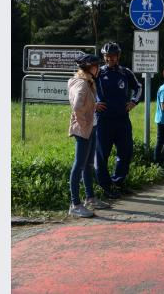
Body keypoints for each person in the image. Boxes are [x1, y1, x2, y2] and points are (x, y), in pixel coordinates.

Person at [94, 42, 142, 199]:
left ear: (118, 56)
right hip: (103, 121)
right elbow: (84, 89)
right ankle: (105, 187)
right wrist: (93, 104)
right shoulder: (97, 73)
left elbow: (138, 87)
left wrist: (134, 102)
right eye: (107, 56)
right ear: (103, 57)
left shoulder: (125, 72)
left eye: (113, 56)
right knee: (102, 155)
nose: (110, 59)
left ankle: (118, 183)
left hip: (122, 119)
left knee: (126, 152)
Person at [67, 54, 111, 218]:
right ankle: (75, 204)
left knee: (88, 164)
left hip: (90, 127)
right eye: (96, 66)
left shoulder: (87, 82)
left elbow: (84, 105)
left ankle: (90, 198)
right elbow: (77, 106)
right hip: (84, 129)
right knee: (79, 165)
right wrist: (84, 122)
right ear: (90, 68)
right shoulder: (82, 84)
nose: (98, 68)